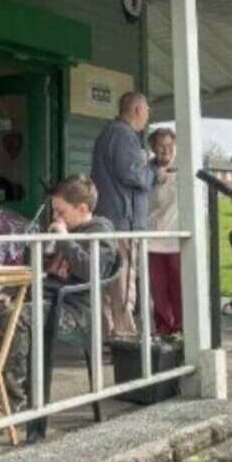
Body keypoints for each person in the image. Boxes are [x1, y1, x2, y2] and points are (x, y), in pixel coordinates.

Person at [0, 175, 117, 414]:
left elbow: (93, 271)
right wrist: (12, 292)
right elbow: (40, 274)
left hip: (75, 309)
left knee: (18, 317)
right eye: (54, 212)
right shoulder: (61, 231)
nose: (55, 218)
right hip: (45, 300)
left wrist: (65, 240)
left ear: (82, 209)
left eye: (61, 212)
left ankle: (13, 400)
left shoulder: (100, 231)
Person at [90, 91, 155, 335]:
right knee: (123, 281)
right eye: (147, 110)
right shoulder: (124, 134)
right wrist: (153, 174)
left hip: (109, 218)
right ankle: (124, 335)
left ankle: (107, 334)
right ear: (137, 109)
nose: (148, 116)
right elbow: (130, 173)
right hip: (122, 221)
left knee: (110, 281)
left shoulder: (108, 133)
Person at [146, 127, 181, 336]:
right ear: (153, 148)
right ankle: (162, 330)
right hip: (153, 238)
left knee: (179, 288)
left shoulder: (184, 168)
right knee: (158, 290)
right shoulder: (146, 171)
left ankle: (181, 329)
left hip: (177, 237)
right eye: (161, 146)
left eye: (169, 145)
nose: (165, 150)